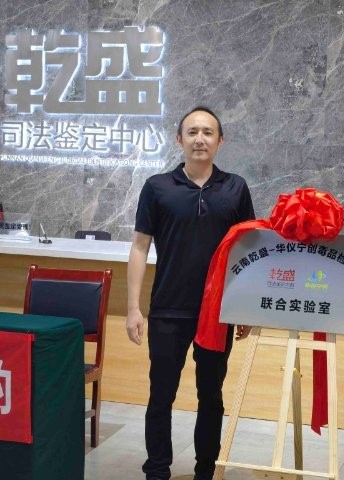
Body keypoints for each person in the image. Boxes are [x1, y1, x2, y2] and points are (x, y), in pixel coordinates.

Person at [126, 106, 255, 480]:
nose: (200, 139)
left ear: (220, 141)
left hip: (216, 313)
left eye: (208, 132)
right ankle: (157, 470)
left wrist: (244, 308)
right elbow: (139, 247)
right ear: (179, 139)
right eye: (193, 132)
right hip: (168, 310)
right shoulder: (157, 187)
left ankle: (205, 470)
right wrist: (133, 308)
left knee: (211, 396)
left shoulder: (235, 188)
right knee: (161, 396)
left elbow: (248, 251)